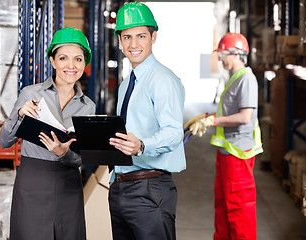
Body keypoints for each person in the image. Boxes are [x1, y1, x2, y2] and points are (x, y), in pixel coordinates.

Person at [0, 27, 95, 240]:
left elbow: (82, 158)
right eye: (63, 58)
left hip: (68, 185)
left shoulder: (88, 107)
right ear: (53, 61)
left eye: (78, 59)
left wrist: (64, 153)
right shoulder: (30, 94)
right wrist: (20, 116)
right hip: (32, 182)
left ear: (84, 64)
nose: (71, 66)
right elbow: (4, 142)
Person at [108, 2, 186, 240]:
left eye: (141, 36)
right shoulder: (126, 85)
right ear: (120, 41)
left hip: (150, 189)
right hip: (121, 187)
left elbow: (174, 132)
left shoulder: (163, 80)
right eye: (127, 37)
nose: (133, 44)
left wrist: (141, 146)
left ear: (154, 37)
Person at [184, 32, 263, 240]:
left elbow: (245, 116)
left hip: (239, 156)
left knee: (239, 211)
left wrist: (214, 121)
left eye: (223, 54)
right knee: (223, 208)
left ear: (236, 54)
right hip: (227, 153)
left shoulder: (247, 80)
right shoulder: (235, 78)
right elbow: (230, 111)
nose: (220, 59)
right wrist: (207, 116)